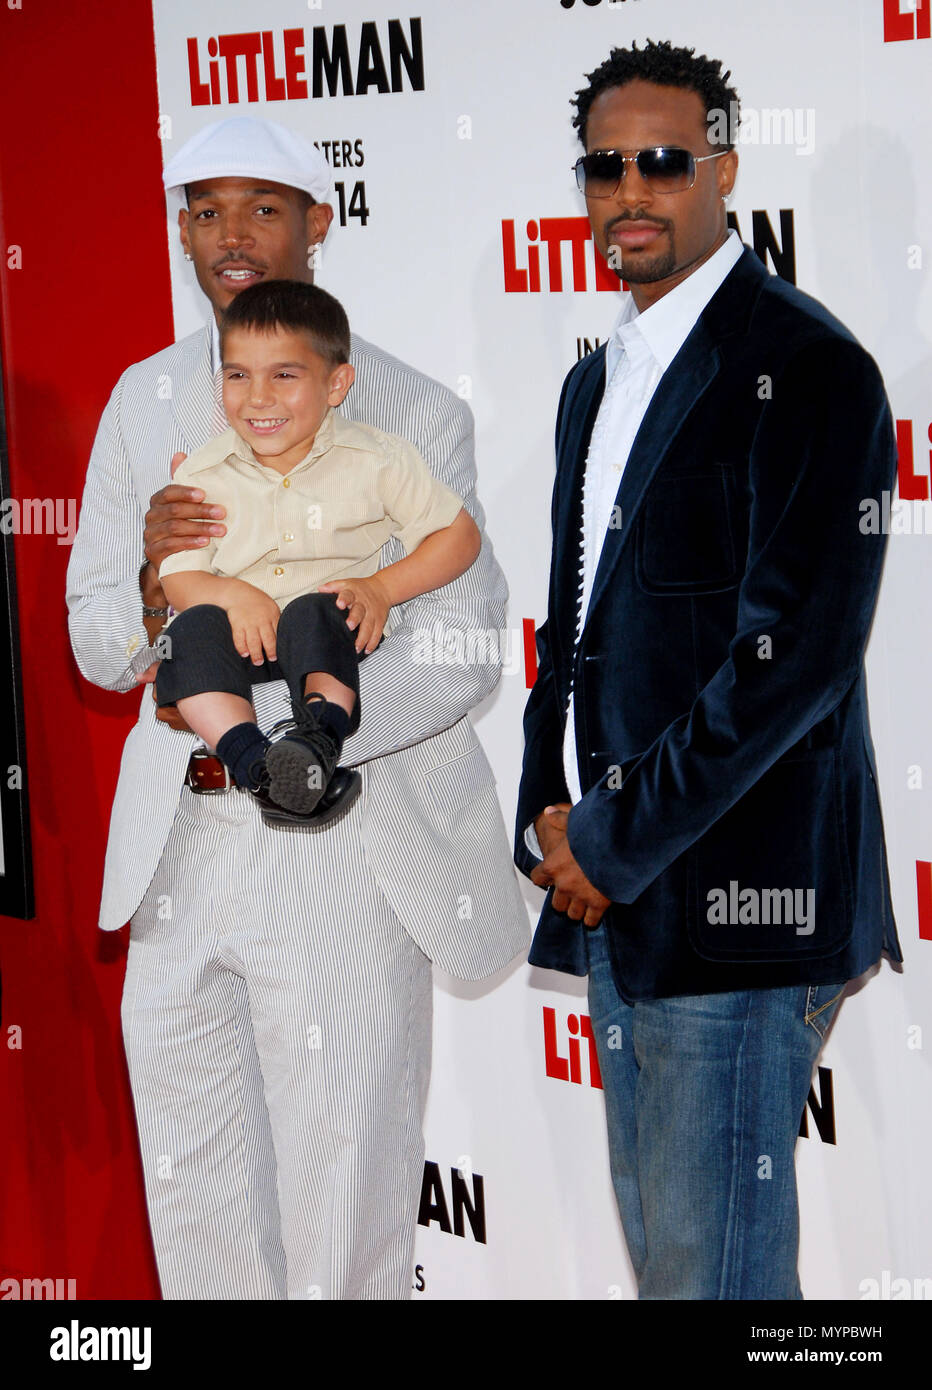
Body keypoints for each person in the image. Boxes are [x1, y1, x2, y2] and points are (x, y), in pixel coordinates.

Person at [66, 115, 528, 1300]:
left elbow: (466, 644)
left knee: (343, 1203)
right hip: (178, 839)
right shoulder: (138, 400)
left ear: (319, 226)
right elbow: (97, 646)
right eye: (205, 209)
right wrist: (145, 586)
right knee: (198, 1198)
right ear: (180, 229)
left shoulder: (410, 412)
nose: (231, 234)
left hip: (333, 838)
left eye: (263, 207)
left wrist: (299, 740)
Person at [514, 40, 901, 1300]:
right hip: (619, 893)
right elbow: (576, 619)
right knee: (674, 1267)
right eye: (605, 164)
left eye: (663, 161)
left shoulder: (810, 368)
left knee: (714, 1286)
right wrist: (545, 810)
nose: (631, 188)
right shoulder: (594, 381)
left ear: (722, 168)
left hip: (738, 906)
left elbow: (792, 666)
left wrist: (611, 833)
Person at [155, 278, 479, 824]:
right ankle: (257, 766)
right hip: (242, 648)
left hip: (331, 643)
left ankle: (317, 745)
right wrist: (232, 594)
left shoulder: (375, 458)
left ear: (337, 384)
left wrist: (381, 589)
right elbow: (179, 577)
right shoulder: (201, 473)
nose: (258, 397)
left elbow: (459, 536)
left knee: (314, 608)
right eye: (238, 375)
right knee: (186, 635)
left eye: (284, 375)